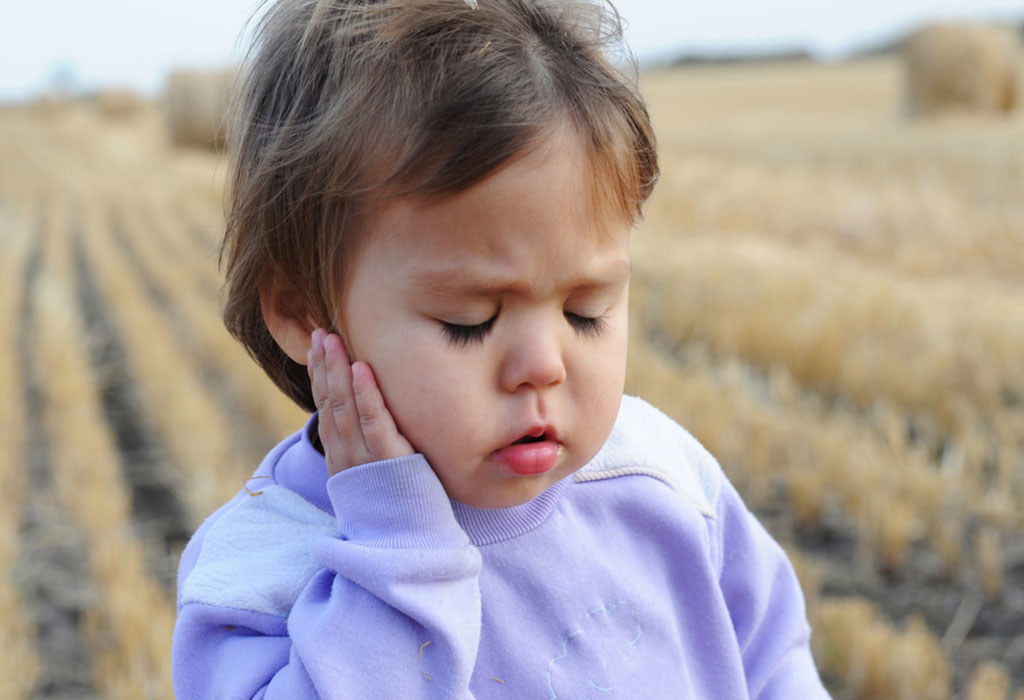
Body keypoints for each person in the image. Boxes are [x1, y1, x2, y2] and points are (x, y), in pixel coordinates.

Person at [172, 0, 832, 697]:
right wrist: (397, 553)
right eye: (470, 322)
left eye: (585, 311)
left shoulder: (662, 480)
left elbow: (772, 660)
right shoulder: (258, 578)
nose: (542, 366)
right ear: (302, 313)